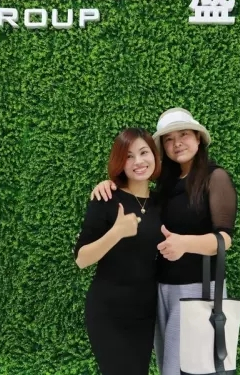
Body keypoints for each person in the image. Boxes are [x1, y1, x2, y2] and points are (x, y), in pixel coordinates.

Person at [90, 108, 238, 375]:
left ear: (198, 138)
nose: (177, 143)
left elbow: (224, 239)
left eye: (184, 135)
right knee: (168, 367)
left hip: (198, 288)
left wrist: (184, 244)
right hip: (162, 289)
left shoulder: (215, 177)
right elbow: (136, 196)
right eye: (169, 139)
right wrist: (108, 184)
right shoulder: (165, 185)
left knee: (190, 369)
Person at [73, 127, 163, 375]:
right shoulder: (106, 198)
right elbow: (81, 259)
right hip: (109, 310)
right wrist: (117, 232)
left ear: (154, 156)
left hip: (145, 310)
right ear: (120, 162)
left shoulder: (161, 202)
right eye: (129, 156)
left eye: (143, 152)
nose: (138, 161)